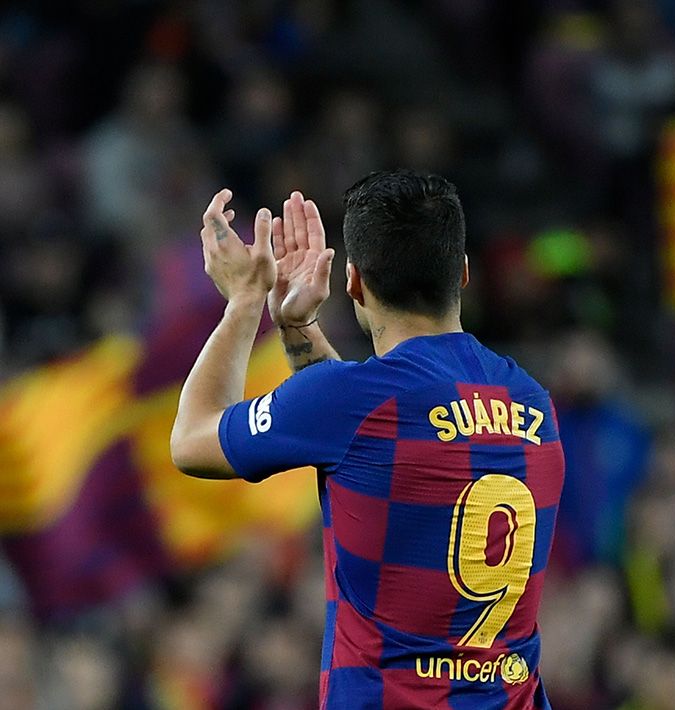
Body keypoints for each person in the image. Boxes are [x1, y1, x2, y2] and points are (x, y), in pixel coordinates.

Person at [169, 171, 564, 709]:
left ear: (353, 282)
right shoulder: (534, 403)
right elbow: (374, 441)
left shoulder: (354, 403)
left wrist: (244, 300)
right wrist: (297, 327)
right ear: (464, 273)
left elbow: (192, 440)